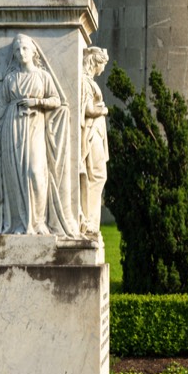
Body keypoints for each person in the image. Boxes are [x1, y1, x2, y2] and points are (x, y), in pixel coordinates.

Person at [0, 35, 78, 236]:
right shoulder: (11, 78)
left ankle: (38, 222)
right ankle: (21, 224)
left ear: (33, 52)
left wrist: (37, 102)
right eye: (17, 50)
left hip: (35, 126)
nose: (21, 53)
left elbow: (57, 100)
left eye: (24, 49)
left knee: (35, 172)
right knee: (16, 175)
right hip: (12, 128)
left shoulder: (42, 76)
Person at [80, 47, 110, 234]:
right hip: (91, 133)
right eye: (102, 65)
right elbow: (87, 109)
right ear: (94, 62)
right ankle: (88, 220)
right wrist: (103, 110)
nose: (103, 70)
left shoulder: (87, 81)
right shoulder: (84, 82)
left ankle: (90, 220)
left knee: (97, 175)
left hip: (96, 132)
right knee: (96, 175)